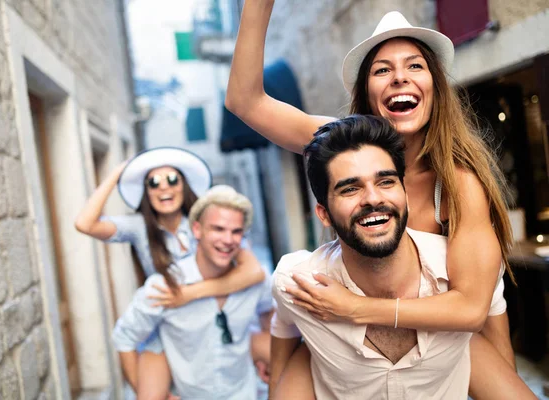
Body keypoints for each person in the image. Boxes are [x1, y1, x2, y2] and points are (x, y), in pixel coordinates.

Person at [226, 4, 520, 398]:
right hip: (348, 343)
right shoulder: (340, 143)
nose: (400, 77)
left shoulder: (458, 182)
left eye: (415, 66)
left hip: (449, 333)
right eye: (383, 70)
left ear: (434, 84)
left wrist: (354, 308)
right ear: (366, 90)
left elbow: (475, 310)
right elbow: (245, 101)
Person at [269, 115, 534, 399]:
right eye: (350, 188)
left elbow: (497, 347)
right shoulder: (300, 282)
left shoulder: (460, 274)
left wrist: (355, 308)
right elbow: (283, 327)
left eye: (385, 182)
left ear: (405, 192)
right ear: (324, 214)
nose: (372, 198)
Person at [74, 148, 266, 397]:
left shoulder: (208, 225)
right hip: (165, 325)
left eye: (172, 180)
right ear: (146, 192)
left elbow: (254, 272)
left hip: (204, 315)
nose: (164, 188)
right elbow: (84, 223)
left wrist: (189, 293)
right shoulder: (139, 227)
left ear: (183, 185)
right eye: (153, 182)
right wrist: (117, 173)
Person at [112, 185, 274, 400]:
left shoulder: (255, 281)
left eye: (236, 231)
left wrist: (266, 359)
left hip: (244, 392)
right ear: (197, 230)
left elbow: (268, 312)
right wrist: (141, 389)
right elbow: (125, 337)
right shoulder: (165, 286)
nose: (227, 240)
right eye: (218, 229)